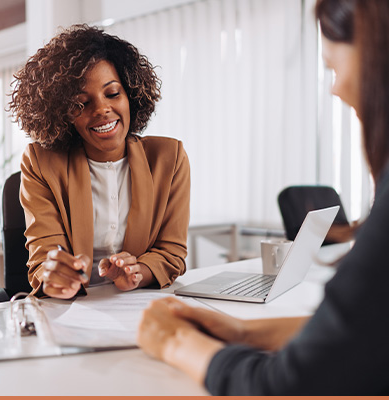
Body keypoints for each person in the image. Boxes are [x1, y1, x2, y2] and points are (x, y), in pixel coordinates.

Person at [137, 0, 389, 395]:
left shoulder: (168, 157)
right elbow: (366, 333)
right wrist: (242, 332)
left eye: (333, 67)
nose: (335, 87)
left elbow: (289, 385)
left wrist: (175, 342)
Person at [9, 24, 190, 300]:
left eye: (112, 93)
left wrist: (137, 273)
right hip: (70, 311)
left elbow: (171, 252)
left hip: (138, 306)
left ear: (130, 94)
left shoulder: (169, 158)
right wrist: (55, 275)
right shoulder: (40, 162)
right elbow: (44, 257)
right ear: (63, 115)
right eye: (81, 103)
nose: (102, 110)